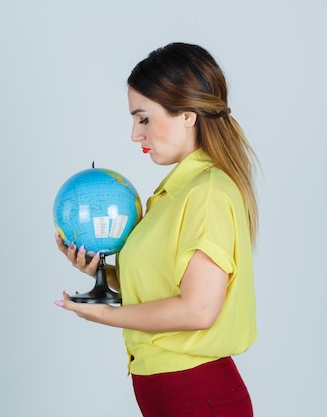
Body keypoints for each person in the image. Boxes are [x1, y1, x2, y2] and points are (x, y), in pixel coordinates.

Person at [54, 43, 258, 417]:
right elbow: (168, 290)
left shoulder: (207, 192)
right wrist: (107, 276)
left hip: (195, 391)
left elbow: (197, 310)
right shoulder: (173, 193)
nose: (135, 134)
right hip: (171, 391)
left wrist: (106, 315)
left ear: (186, 115)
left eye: (143, 118)